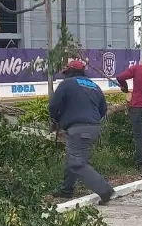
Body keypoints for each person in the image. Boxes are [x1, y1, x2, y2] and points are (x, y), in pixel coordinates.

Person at [49, 59, 115, 205]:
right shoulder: (94, 86)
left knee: (76, 163)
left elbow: (54, 105)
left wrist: (55, 120)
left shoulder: (67, 83)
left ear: (71, 72)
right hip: (93, 127)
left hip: (78, 128)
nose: (65, 76)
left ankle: (105, 190)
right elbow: (103, 109)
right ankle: (66, 190)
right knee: (73, 158)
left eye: (66, 73)